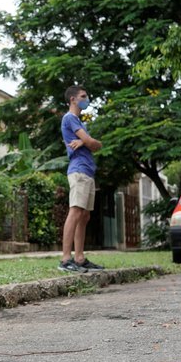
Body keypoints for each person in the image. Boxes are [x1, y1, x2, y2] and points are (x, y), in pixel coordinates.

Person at [58, 85, 104, 273]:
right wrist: (88, 140)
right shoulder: (69, 118)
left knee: (84, 216)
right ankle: (65, 259)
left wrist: (86, 141)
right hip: (78, 170)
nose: (87, 99)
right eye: (83, 96)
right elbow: (93, 143)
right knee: (75, 211)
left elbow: (97, 145)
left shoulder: (79, 122)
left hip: (88, 171)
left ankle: (79, 258)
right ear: (73, 99)